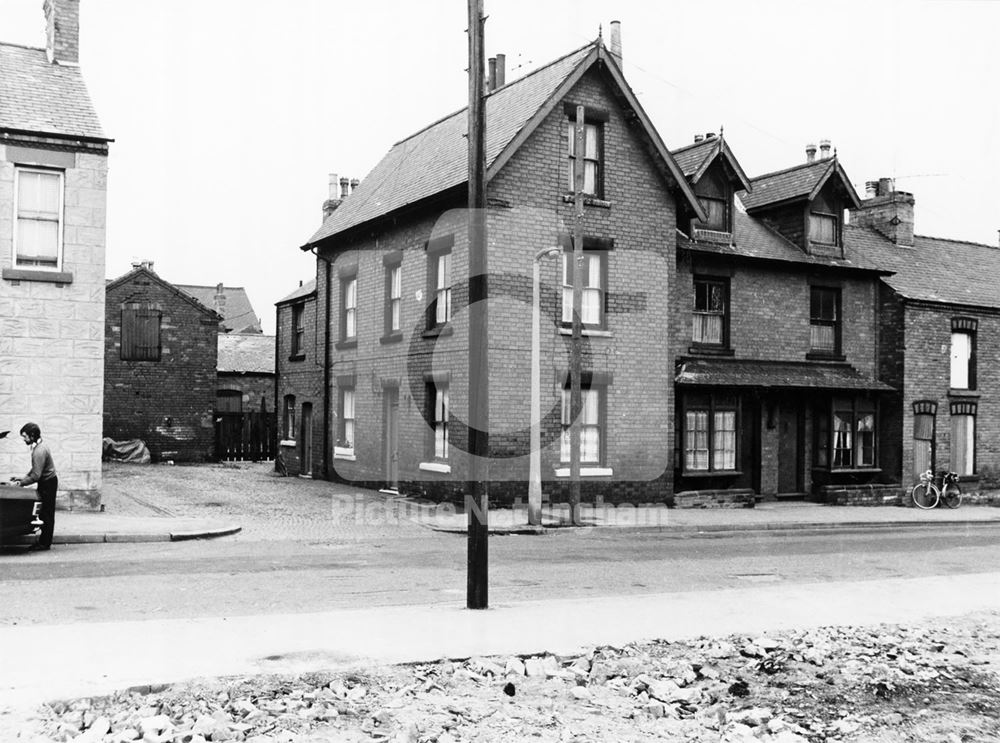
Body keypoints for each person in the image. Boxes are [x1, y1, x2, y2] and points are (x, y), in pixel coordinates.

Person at [11, 422, 57, 551]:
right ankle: (44, 541)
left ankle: (45, 543)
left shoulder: (39, 451)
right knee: (44, 513)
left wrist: (21, 483)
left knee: (46, 514)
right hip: (48, 481)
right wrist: (23, 478)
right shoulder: (40, 446)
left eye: (25, 437)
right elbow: (36, 469)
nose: (24, 439)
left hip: (47, 483)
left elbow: (36, 475)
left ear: (32, 435)